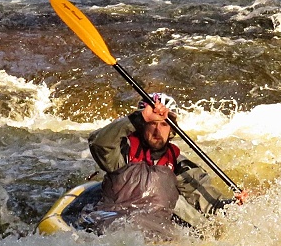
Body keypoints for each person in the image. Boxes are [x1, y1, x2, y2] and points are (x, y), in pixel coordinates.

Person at [82, 92, 244, 236]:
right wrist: (138, 118)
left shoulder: (180, 165)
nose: (157, 130)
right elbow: (98, 143)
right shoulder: (121, 152)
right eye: (152, 123)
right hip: (114, 221)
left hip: (155, 228)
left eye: (164, 124)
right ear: (141, 126)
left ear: (173, 130)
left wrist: (234, 204)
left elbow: (210, 203)